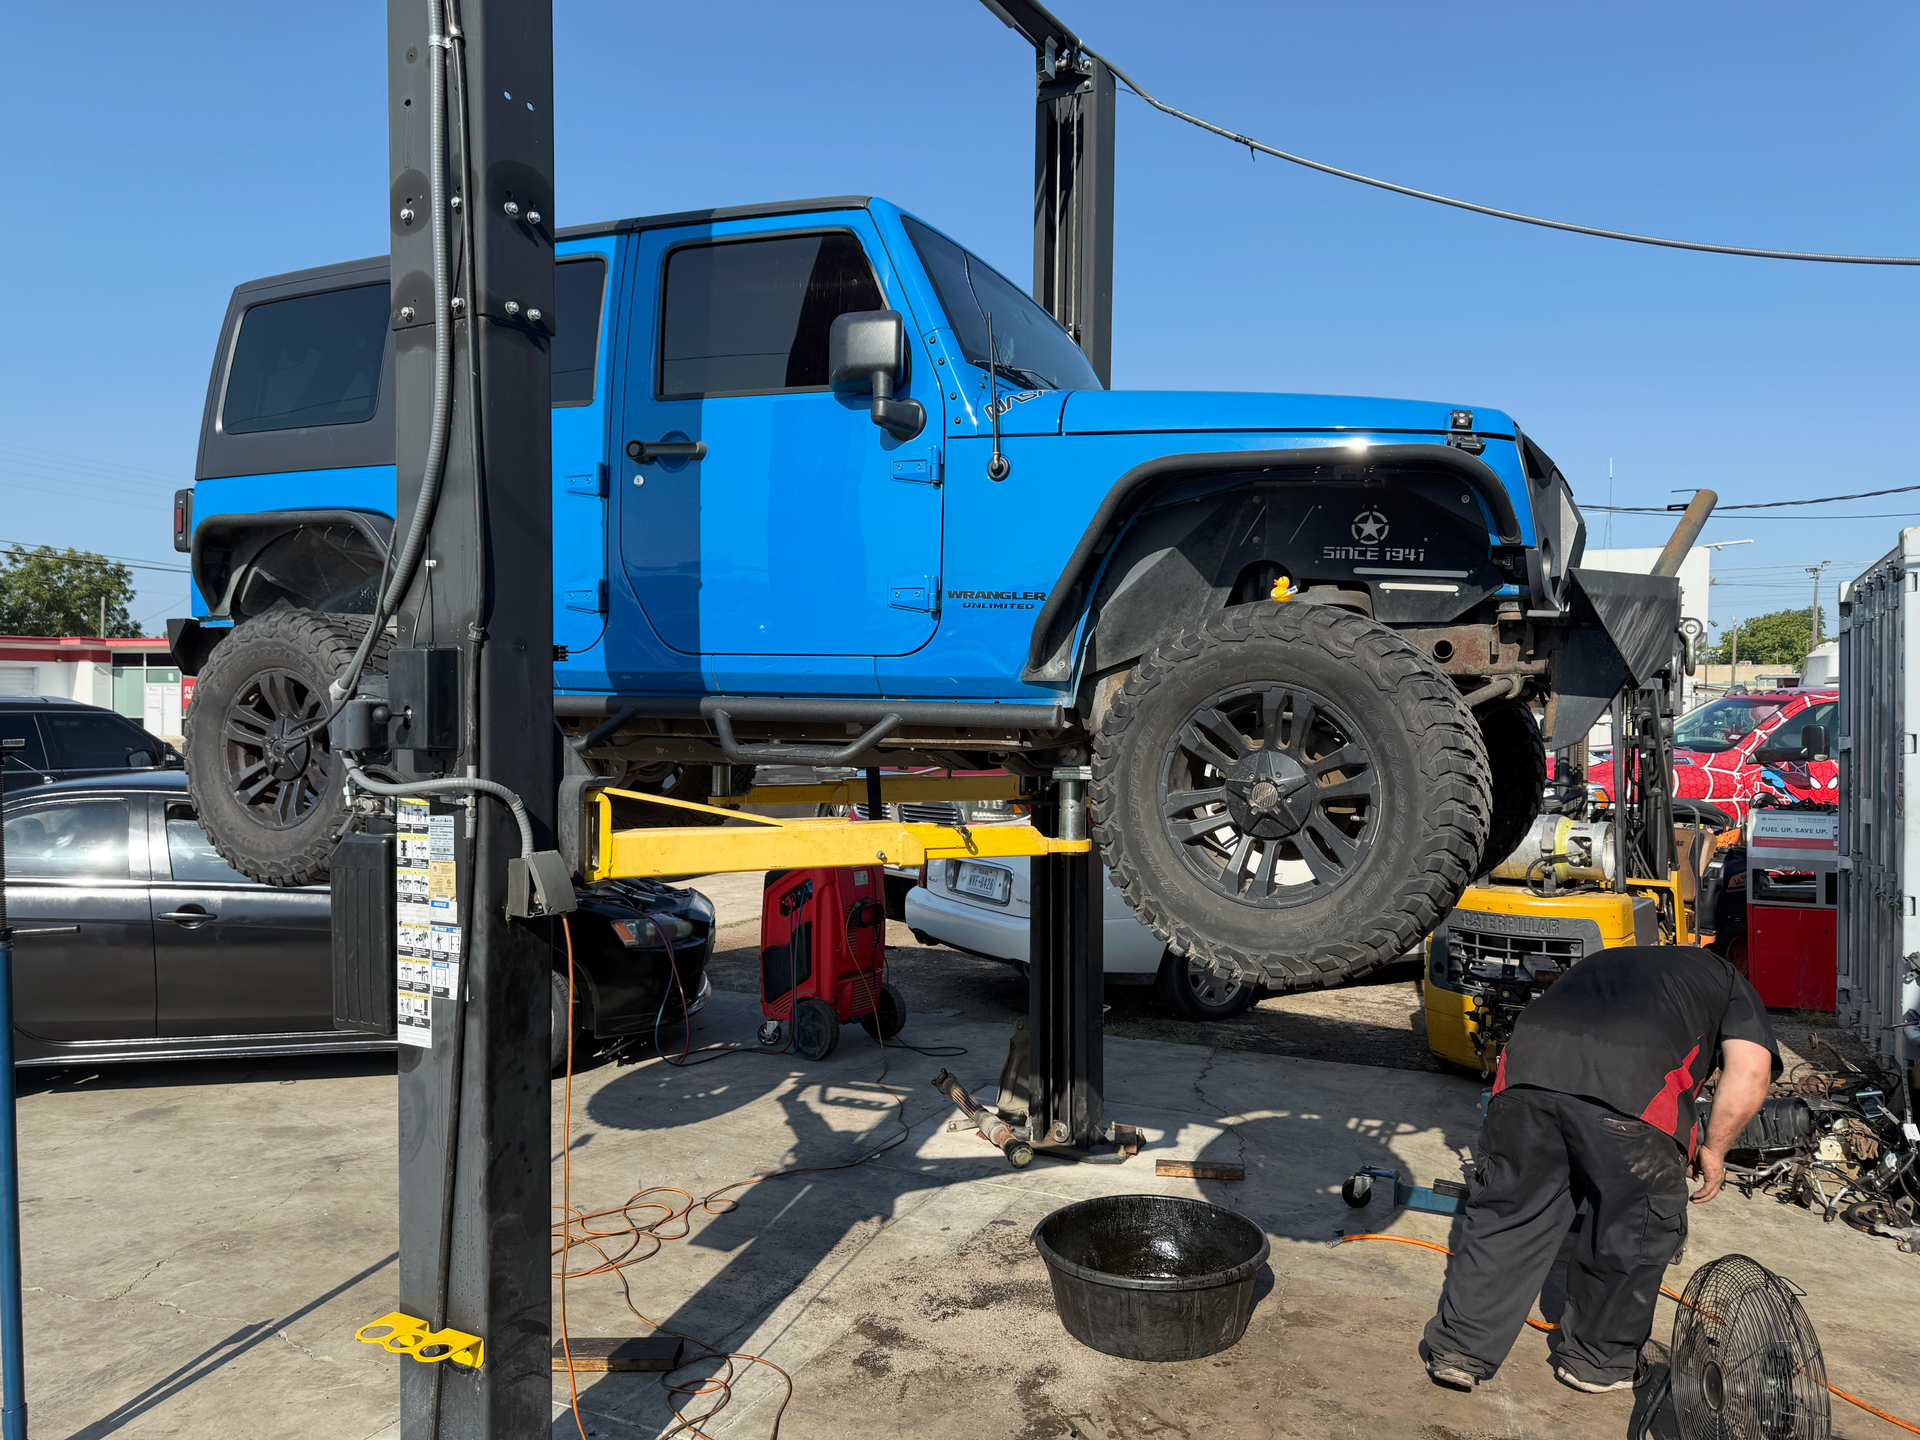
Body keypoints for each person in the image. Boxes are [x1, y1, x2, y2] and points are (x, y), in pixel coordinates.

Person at [1420, 944, 1778, 1394]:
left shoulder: (1609, 959)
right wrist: (1714, 1148)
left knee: (1507, 1215)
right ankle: (1597, 1361)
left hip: (1525, 1082)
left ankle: (1458, 1351)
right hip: (1634, 1100)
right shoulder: (1729, 982)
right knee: (1634, 1230)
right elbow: (1750, 1073)